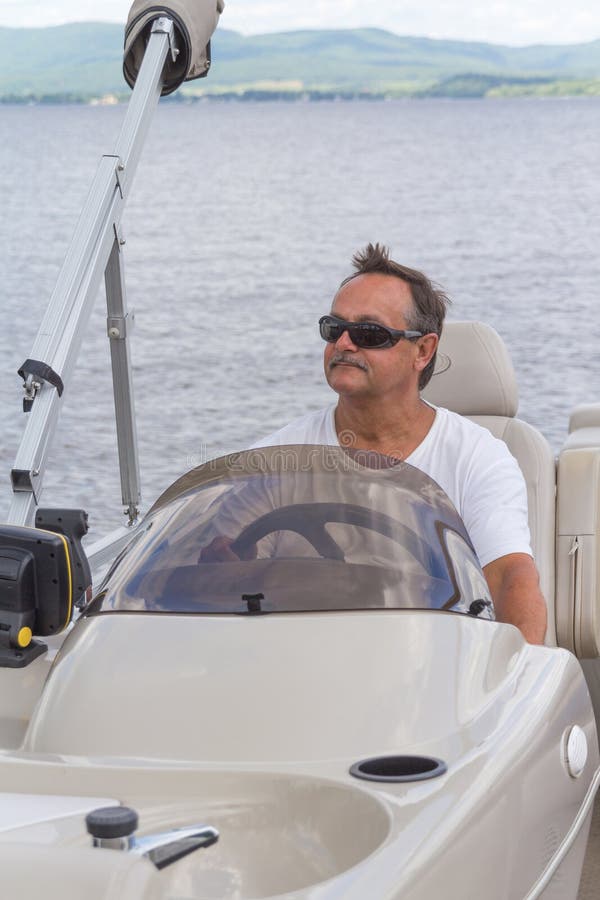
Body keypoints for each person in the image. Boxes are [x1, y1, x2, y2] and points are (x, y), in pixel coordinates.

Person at [253, 243, 547, 645]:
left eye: (369, 333)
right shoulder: (274, 458)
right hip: (303, 668)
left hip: (433, 673)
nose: (343, 344)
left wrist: (515, 681)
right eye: (333, 328)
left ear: (422, 351)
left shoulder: (478, 458)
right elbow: (222, 567)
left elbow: (510, 576)